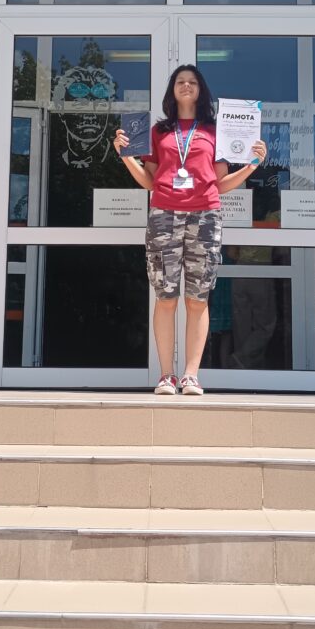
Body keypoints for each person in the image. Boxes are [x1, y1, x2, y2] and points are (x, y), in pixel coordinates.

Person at [113, 65, 267, 396]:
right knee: (166, 297)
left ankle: (191, 375)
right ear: (172, 90)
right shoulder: (158, 132)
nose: (186, 86)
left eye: (192, 82)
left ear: (201, 90)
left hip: (205, 216)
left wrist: (252, 165)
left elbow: (220, 184)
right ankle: (166, 376)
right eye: (180, 82)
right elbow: (148, 181)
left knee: (198, 299)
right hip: (164, 215)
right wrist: (126, 157)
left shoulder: (215, 131)